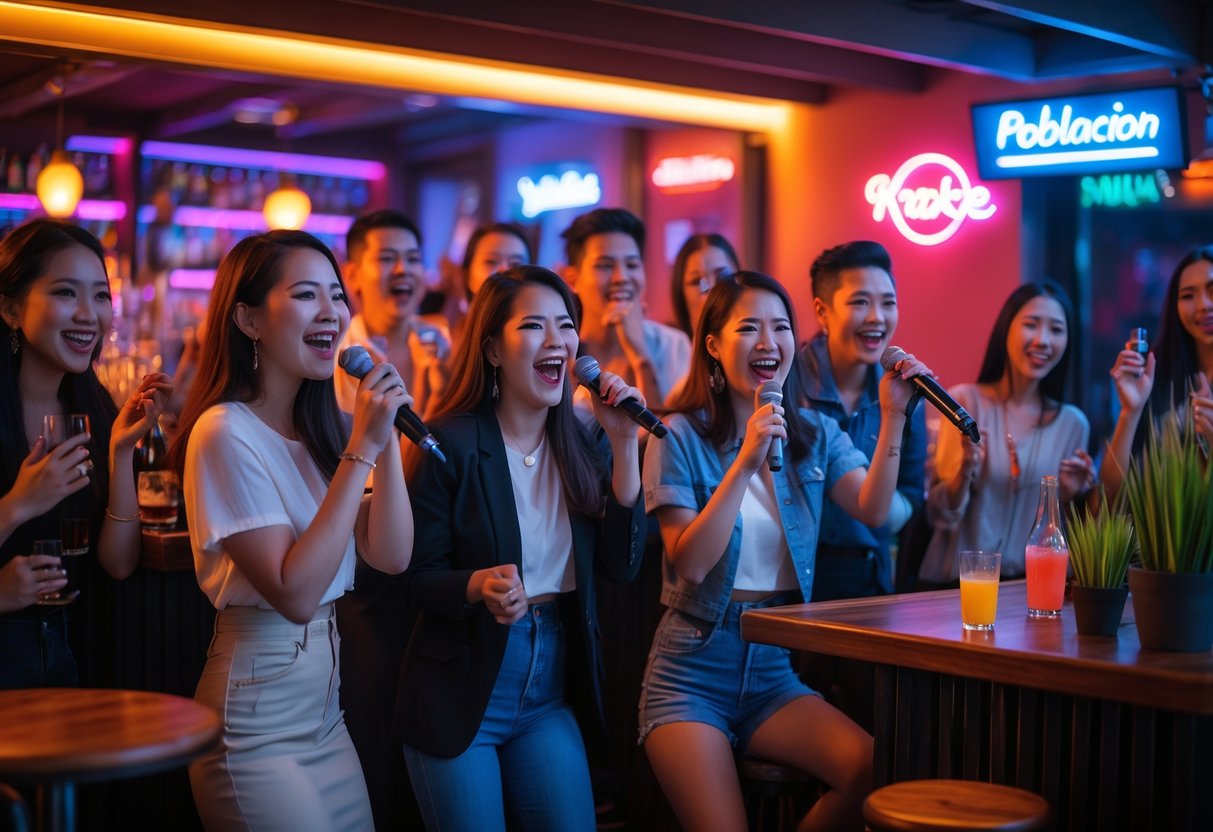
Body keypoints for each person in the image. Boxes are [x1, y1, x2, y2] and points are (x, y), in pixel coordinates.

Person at [640, 270, 933, 831]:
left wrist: (894, 414)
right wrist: (745, 460)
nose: (768, 342)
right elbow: (691, 564)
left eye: (780, 327)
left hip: (772, 666)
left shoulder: (814, 433)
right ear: (713, 346)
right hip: (691, 668)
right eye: (748, 328)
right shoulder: (676, 435)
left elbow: (873, 510)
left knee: (871, 767)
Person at [173, 230, 413, 831]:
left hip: (327, 717)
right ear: (249, 319)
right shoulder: (223, 432)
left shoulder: (324, 432)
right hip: (255, 726)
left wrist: (384, 441)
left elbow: (391, 555)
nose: (331, 311)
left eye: (337, 295)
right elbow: (296, 593)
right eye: (306, 295)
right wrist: (362, 448)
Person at [396, 265, 646, 831]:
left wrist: (624, 443)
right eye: (534, 326)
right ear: (492, 349)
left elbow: (621, 566)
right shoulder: (450, 442)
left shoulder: (584, 441)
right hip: (460, 690)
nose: (556, 340)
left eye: (566, 325)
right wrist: (475, 585)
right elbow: (410, 580)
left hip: (548, 691)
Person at [0, 218, 169, 689]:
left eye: (100, 296)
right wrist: (19, 504)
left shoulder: (93, 408)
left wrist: (120, 453)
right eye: (65, 293)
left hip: (77, 651)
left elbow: (117, 563)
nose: (89, 314)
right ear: (10, 309)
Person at [919, 281, 1092, 585]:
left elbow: (1067, 536)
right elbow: (941, 515)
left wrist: (1070, 497)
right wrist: (966, 470)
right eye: (1031, 325)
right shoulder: (964, 404)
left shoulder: (1073, 424)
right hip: (958, 586)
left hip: (1032, 588)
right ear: (1006, 329)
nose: (1042, 340)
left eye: (1056, 329)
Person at [801, 240, 925, 601]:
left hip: (871, 578)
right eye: (860, 302)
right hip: (796, 578)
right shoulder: (790, 384)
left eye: (888, 303)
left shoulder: (904, 392)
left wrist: (879, 509)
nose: (877, 317)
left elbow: (911, 492)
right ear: (823, 312)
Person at [1101, 245, 1213, 498]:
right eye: (1188, 296)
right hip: (1157, 524)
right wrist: (1130, 412)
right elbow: (1111, 491)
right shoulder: (1156, 376)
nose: (1203, 305)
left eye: (1212, 290)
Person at [561, 207, 689, 412]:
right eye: (605, 265)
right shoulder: (562, 351)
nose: (621, 278)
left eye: (631, 265)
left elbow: (667, 430)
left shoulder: (673, 345)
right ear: (572, 279)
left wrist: (641, 357)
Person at [334, 209, 450, 419]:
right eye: (387, 258)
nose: (402, 269)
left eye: (413, 259)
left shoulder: (443, 344)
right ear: (352, 275)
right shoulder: (337, 353)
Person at [669, 232, 739, 338]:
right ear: (681, 293)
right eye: (697, 281)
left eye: (723, 276)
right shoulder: (671, 345)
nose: (711, 290)